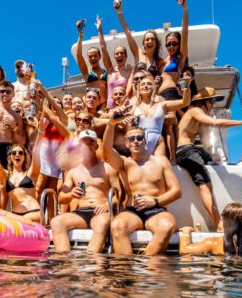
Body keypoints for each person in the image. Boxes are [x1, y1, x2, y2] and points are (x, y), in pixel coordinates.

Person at [176, 86, 242, 231]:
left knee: (208, 162)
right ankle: (219, 224)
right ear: (204, 102)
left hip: (188, 150)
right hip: (186, 151)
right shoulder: (195, 111)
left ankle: (218, 222)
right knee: (205, 186)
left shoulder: (194, 113)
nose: (213, 104)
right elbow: (215, 123)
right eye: (212, 101)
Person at [102, 123, 181, 255]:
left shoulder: (161, 161)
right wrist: (111, 122)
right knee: (117, 225)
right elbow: (106, 150)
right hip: (133, 211)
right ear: (127, 144)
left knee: (167, 226)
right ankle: (126, 271)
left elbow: (177, 191)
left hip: (157, 210)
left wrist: (155, 201)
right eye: (131, 139)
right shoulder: (125, 163)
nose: (136, 142)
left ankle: (147, 270)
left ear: (145, 141)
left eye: (139, 138)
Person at [51, 129, 120, 253]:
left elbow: (120, 195)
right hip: (81, 212)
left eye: (91, 143)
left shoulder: (107, 168)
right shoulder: (72, 172)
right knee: (56, 222)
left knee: (101, 223)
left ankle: (91, 263)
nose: (87, 146)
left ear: (96, 146)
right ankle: (64, 263)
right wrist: (71, 195)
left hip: (101, 211)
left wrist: (107, 205)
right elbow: (61, 197)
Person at [0, 115, 43, 222]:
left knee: (13, 218)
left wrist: (41, 131)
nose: (17, 155)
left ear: (24, 157)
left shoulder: (31, 174)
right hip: (16, 215)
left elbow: (36, 152)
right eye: (14, 153)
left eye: (21, 153)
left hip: (33, 214)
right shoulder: (5, 176)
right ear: (10, 157)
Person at [132, 71, 190, 156]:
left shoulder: (162, 105)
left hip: (157, 142)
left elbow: (185, 102)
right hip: (140, 143)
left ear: (153, 88)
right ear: (139, 89)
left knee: (160, 166)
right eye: (143, 84)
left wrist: (186, 88)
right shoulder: (134, 106)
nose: (145, 86)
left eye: (149, 84)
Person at [113, 0, 163, 77]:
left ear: (156, 43)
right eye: (147, 39)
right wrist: (119, 12)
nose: (150, 41)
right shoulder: (138, 53)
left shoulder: (160, 61)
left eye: (152, 39)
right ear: (143, 43)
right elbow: (127, 33)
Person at [158, 0, 195, 100]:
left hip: (171, 94)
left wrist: (185, 8)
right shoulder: (162, 61)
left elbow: (185, 32)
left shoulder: (180, 59)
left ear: (179, 45)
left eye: (174, 43)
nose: (171, 46)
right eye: (168, 44)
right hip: (159, 96)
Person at [95, 15, 133, 108]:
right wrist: (100, 30)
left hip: (124, 107)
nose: (119, 55)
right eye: (117, 54)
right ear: (114, 57)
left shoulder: (130, 71)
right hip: (109, 108)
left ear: (126, 56)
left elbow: (129, 91)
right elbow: (103, 48)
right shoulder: (110, 70)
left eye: (121, 53)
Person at [75, 20, 108, 101]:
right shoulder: (86, 72)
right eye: (90, 56)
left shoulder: (106, 71)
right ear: (88, 59)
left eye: (95, 56)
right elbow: (78, 54)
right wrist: (81, 34)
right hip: (92, 105)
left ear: (100, 57)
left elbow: (104, 48)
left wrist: (100, 30)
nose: (93, 58)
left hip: (105, 105)